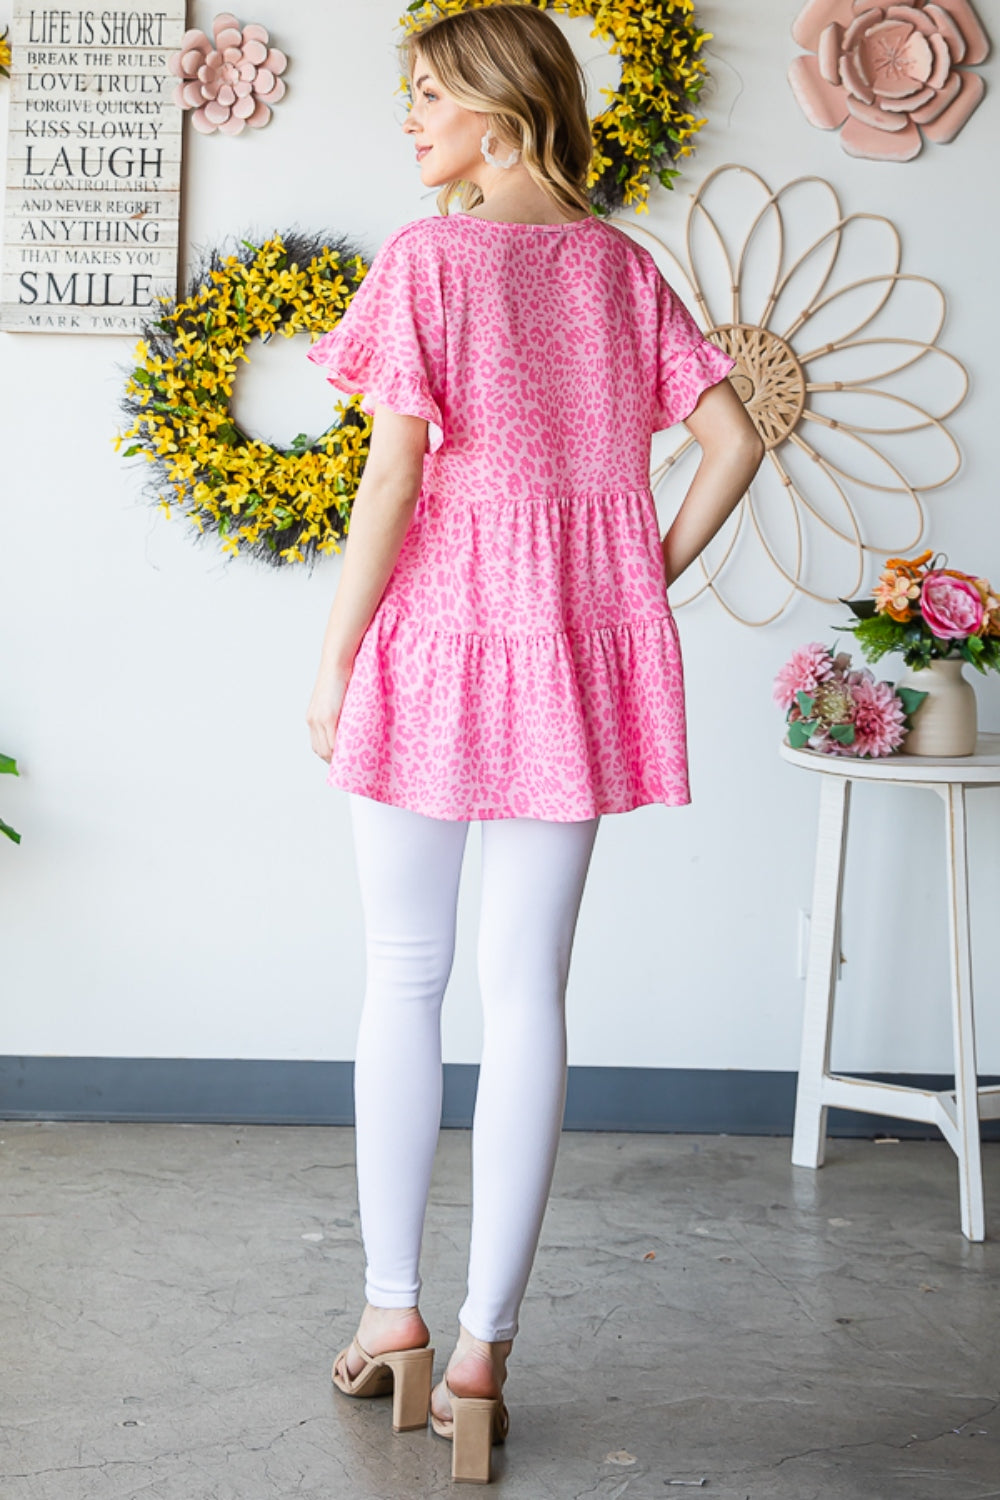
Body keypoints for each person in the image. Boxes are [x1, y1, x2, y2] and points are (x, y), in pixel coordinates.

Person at [305, 3, 764, 1484]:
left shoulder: (428, 261)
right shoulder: (626, 268)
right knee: (528, 995)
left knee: (404, 974)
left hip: (433, 644)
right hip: (572, 663)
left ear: (501, 113)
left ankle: (397, 1314)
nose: (412, 120)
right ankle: (490, 1347)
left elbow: (391, 487)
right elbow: (736, 437)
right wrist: (637, 582)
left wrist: (332, 657)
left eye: (430, 95)